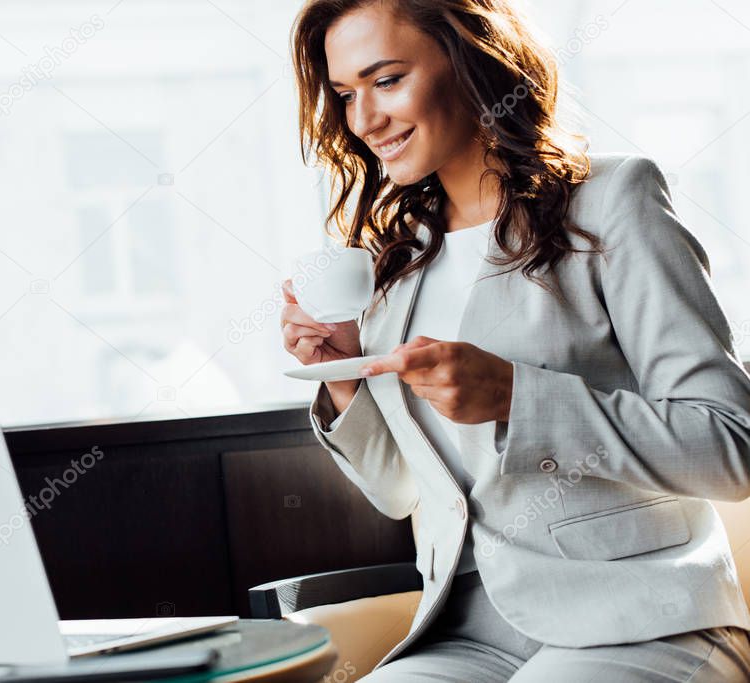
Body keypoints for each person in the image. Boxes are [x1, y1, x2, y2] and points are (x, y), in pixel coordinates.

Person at [280, 0, 750, 680]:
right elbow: (398, 492)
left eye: (386, 80)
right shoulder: (397, 260)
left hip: (641, 619)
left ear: (470, 59)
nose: (363, 119)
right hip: (467, 631)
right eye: (345, 94)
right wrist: (342, 376)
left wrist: (517, 398)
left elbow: (729, 445)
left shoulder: (613, 200)